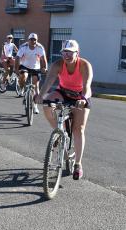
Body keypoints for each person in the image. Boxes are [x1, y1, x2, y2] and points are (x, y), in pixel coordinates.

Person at [36, 39, 93, 180]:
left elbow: (87, 86)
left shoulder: (84, 65)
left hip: (80, 96)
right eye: (64, 52)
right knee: (47, 105)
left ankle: (78, 164)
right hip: (63, 92)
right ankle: (59, 132)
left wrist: (83, 99)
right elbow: (48, 82)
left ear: (77, 53)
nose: (66, 55)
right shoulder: (57, 64)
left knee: (78, 129)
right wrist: (41, 95)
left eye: (70, 53)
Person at [15, 33, 47, 114]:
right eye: (31, 39)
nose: (33, 41)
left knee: (36, 87)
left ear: (37, 40)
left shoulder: (39, 48)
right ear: (28, 40)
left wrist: (44, 68)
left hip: (35, 67)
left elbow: (43, 59)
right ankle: (21, 88)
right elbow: (17, 58)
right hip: (24, 66)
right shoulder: (23, 47)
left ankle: (35, 106)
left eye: (35, 40)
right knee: (23, 76)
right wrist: (16, 69)